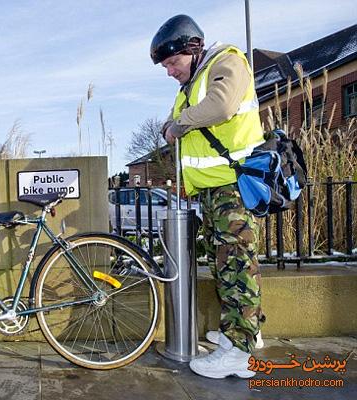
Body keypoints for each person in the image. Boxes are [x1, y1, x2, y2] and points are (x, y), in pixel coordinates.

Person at [150, 14, 265, 379]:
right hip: (213, 190)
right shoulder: (190, 85)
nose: (169, 71)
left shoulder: (226, 61)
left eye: (172, 62)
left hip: (234, 187)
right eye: (166, 66)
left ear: (193, 48)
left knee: (235, 264)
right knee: (226, 264)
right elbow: (175, 129)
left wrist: (179, 124)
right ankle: (246, 330)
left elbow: (220, 106)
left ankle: (239, 352)